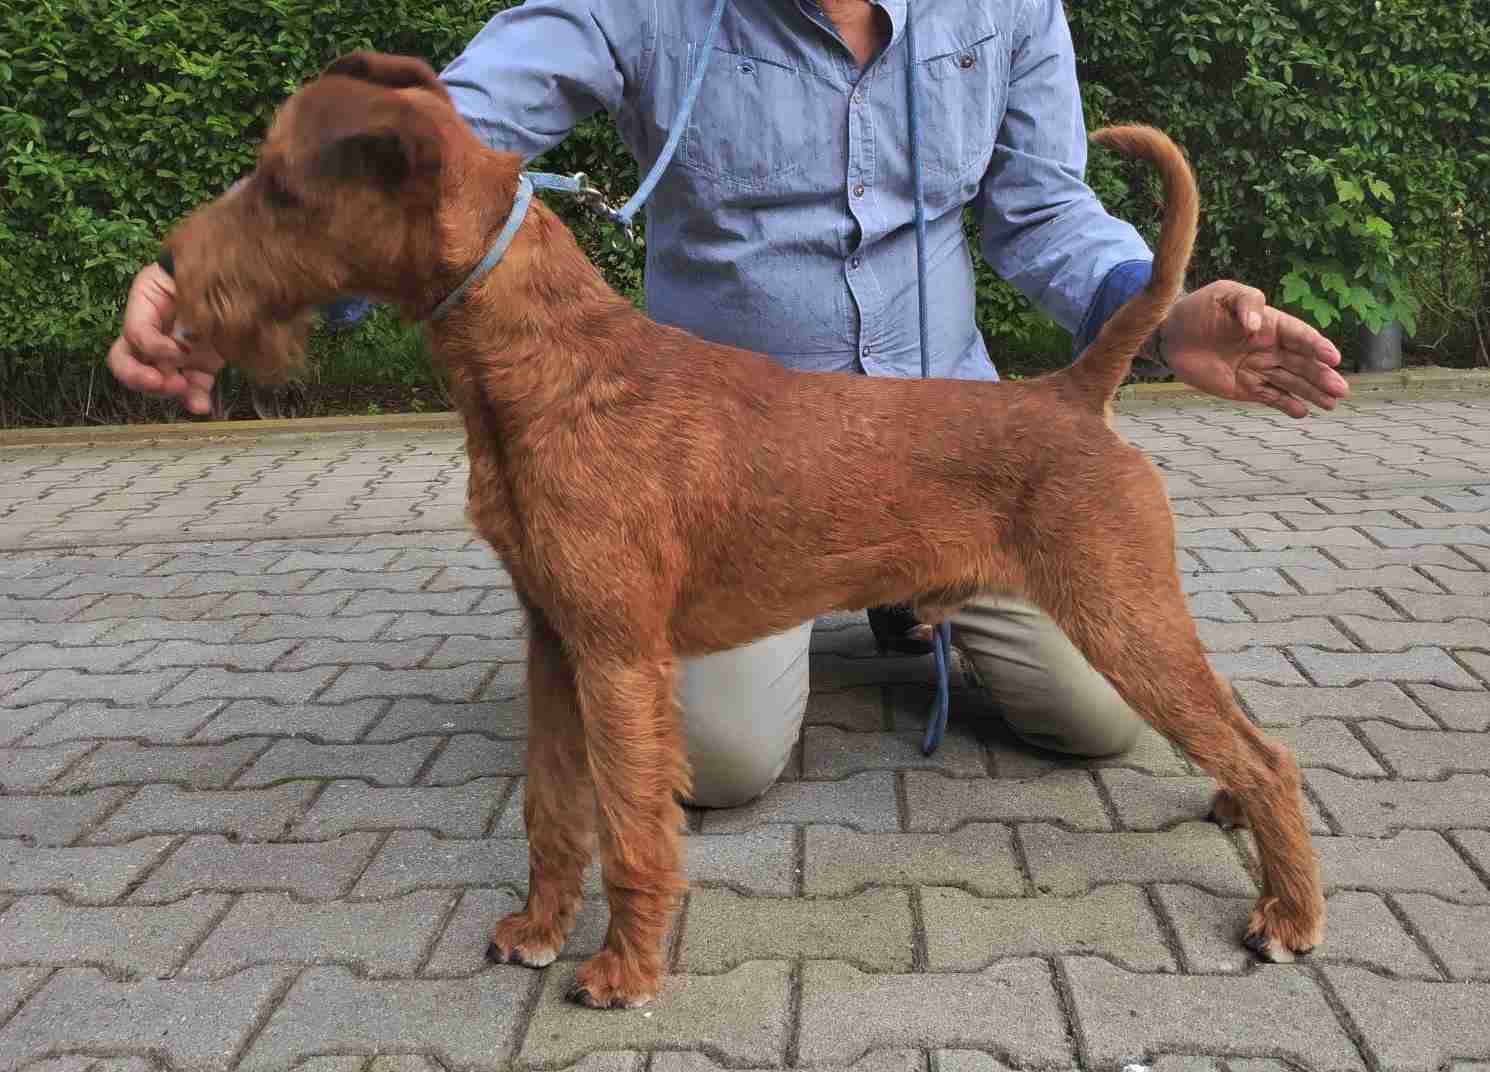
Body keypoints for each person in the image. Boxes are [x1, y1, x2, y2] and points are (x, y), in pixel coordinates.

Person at [106, 0, 1348, 806]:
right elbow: (431, 144)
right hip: (727, 472)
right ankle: (834, 607)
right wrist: (215, 273)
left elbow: (1041, 208)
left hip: (955, 452)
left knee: (1098, 720)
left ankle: (904, 600)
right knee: (720, 762)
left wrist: (1154, 308)